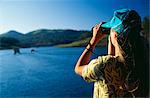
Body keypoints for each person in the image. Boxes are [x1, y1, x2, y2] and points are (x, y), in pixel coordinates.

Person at [75, 9, 149, 98]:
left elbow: (78, 68)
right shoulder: (144, 57)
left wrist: (93, 40)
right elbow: (115, 57)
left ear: (115, 35)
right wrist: (112, 40)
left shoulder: (104, 65)